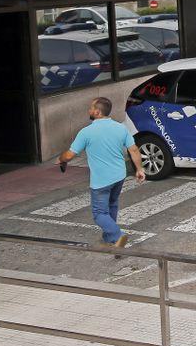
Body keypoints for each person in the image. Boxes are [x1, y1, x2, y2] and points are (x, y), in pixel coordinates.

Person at [57, 97, 145, 248]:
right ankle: (108, 237)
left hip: (101, 180)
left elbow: (70, 155)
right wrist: (139, 169)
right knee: (112, 205)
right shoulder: (120, 128)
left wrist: (60, 158)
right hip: (119, 176)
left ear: (97, 112)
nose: (89, 110)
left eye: (91, 108)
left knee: (99, 214)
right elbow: (134, 149)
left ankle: (118, 236)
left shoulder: (86, 132)